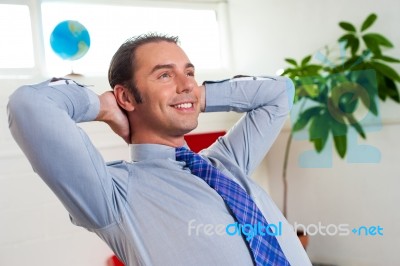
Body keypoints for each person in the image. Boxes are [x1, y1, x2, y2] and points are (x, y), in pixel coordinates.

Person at [8, 33, 311, 266]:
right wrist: (103, 107)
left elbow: (280, 92)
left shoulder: (227, 162)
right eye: (165, 75)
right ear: (126, 97)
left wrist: (196, 96)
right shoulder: (113, 196)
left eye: (189, 73)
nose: (186, 83)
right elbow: (29, 104)